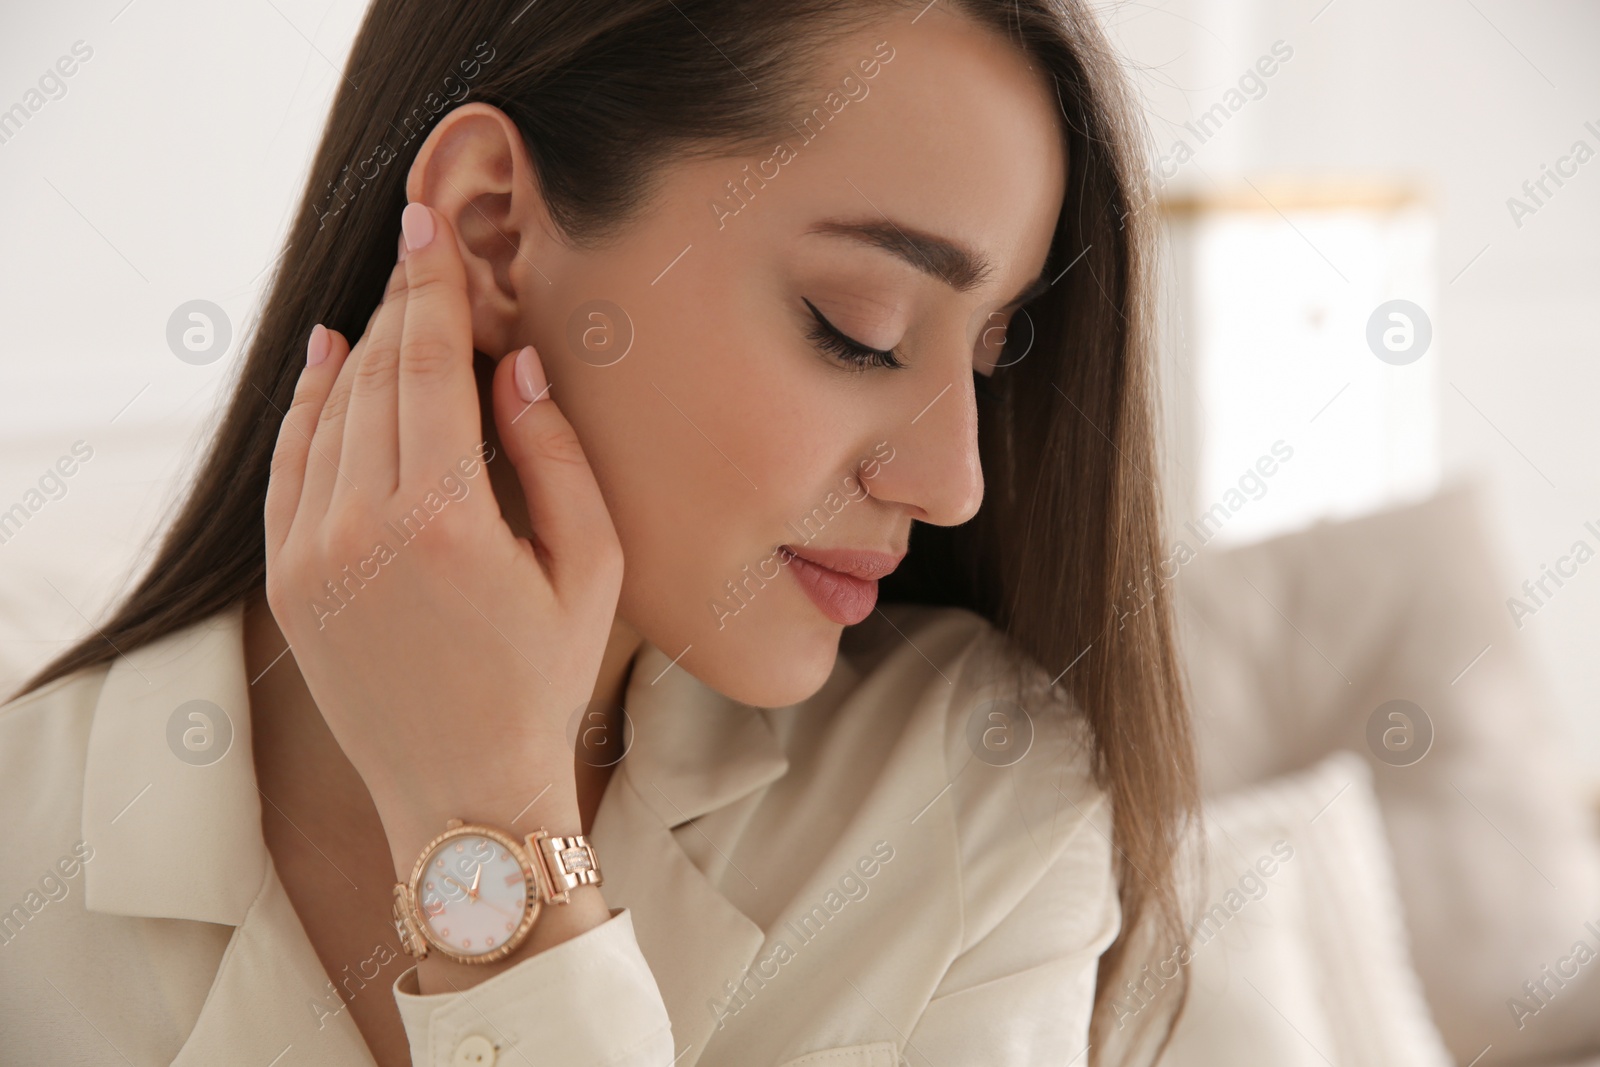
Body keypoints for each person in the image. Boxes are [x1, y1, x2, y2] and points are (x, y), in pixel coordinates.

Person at [0, 1, 1199, 1064]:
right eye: (859, 329)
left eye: (989, 359)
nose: (954, 484)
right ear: (491, 233)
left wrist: (494, 827)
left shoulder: (974, 789)